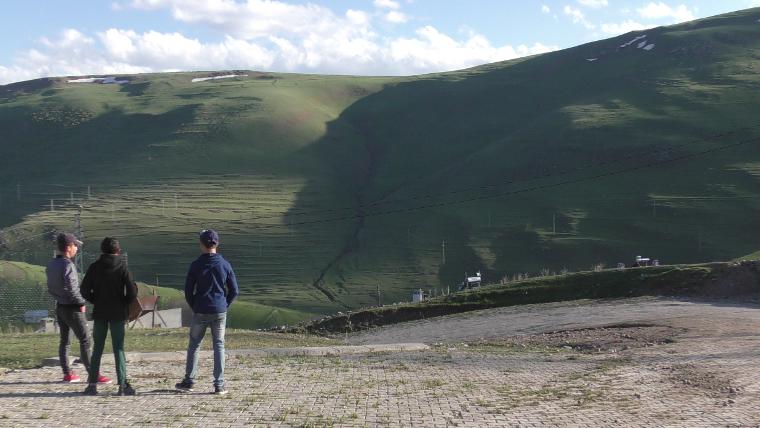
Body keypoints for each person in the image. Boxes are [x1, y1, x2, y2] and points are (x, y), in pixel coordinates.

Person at [176, 229, 238, 395]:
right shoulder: (225, 264)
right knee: (219, 345)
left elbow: (188, 291)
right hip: (219, 310)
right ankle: (219, 384)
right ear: (217, 244)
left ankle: (189, 381)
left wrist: (195, 305)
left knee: (194, 344)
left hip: (200, 310)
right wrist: (225, 304)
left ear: (201, 245)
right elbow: (234, 290)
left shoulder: (196, 265)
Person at [46, 233, 111, 384]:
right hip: (72, 307)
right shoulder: (68, 265)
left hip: (60, 306)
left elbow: (51, 287)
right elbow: (72, 288)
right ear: (68, 247)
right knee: (85, 340)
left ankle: (68, 373)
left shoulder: (51, 264)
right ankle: (93, 374)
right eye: (75, 245)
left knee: (65, 341)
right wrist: (81, 302)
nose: (76, 248)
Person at [80, 237, 138, 396]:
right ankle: (122, 385)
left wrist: (95, 300)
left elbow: (84, 290)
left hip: (100, 312)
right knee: (118, 348)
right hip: (118, 313)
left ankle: (92, 384)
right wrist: (124, 302)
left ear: (102, 251)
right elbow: (132, 292)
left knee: (97, 347)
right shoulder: (122, 267)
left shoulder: (94, 267)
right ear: (118, 251)